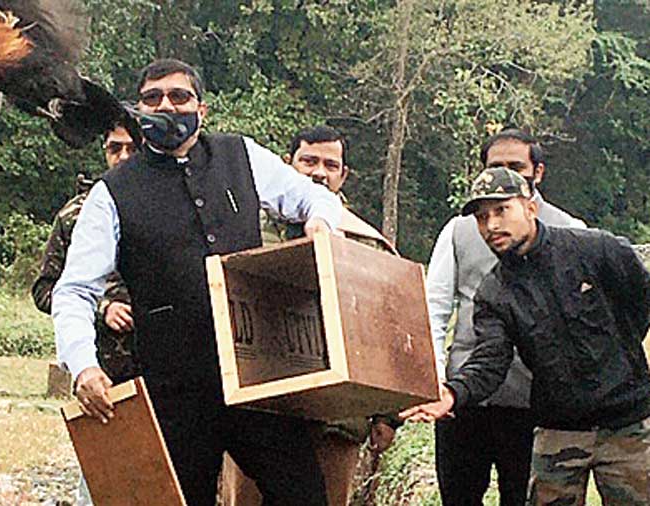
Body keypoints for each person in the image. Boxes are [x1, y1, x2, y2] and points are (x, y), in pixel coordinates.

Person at [53, 58, 343, 505]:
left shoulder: (241, 155)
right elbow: (74, 290)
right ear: (138, 110)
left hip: (257, 378)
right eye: (152, 98)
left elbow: (312, 196)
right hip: (173, 388)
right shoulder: (112, 191)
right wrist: (83, 366)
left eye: (178, 96)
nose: (166, 106)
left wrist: (319, 224)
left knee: (304, 495)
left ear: (201, 109)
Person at [402, 167, 650, 505]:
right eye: (481, 217)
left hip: (627, 424)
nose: (491, 226)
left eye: (502, 210)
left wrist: (621, 359)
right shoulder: (494, 292)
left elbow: (641, 301)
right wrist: (452, 394)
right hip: (558, 426)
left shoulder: (594, 249)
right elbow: (489, 362)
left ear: (530, 207)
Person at [219, 125, 395, 506]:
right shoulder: (244, 229)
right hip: (255, 409)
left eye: (331, 165)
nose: (319, 172)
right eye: (309, 161)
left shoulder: (365, 242)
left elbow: (384, 334)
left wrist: (386, 416)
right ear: (287, 164)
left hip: (337, 420)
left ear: (343, 174)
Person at [424, 129, 586, 505]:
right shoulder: (459, 229)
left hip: (537, 403)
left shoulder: (571, 231)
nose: (505, 175)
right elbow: (434, 306)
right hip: (466, 399)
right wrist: (435, 377)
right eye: (495, 166)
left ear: (538, 172)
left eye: (516, 166)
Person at [32, 124, 140, 384]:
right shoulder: (76, 214)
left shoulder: (172, 204)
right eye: (115, 148)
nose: (123, 157)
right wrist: (103, 309)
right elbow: (45, 291)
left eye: (132, 149)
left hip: (167, 368)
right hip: (103, 372)